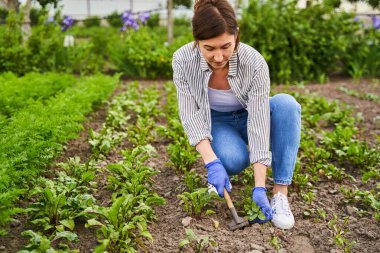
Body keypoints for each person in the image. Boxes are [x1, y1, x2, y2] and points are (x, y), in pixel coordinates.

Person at [172, 0, 301, 230]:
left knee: (286, 105)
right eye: (209, 48)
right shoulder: (182, 60)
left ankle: (280, 193)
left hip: (250, 114)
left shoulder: (254, 62)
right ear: (196, 41)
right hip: (219, 121)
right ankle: (220, 170)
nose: (219, 57)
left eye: (226, 46)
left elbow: (260, 121)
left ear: (236, 35)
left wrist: (259, 186)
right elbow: (190, 114)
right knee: (233, 159)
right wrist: (211, 162)